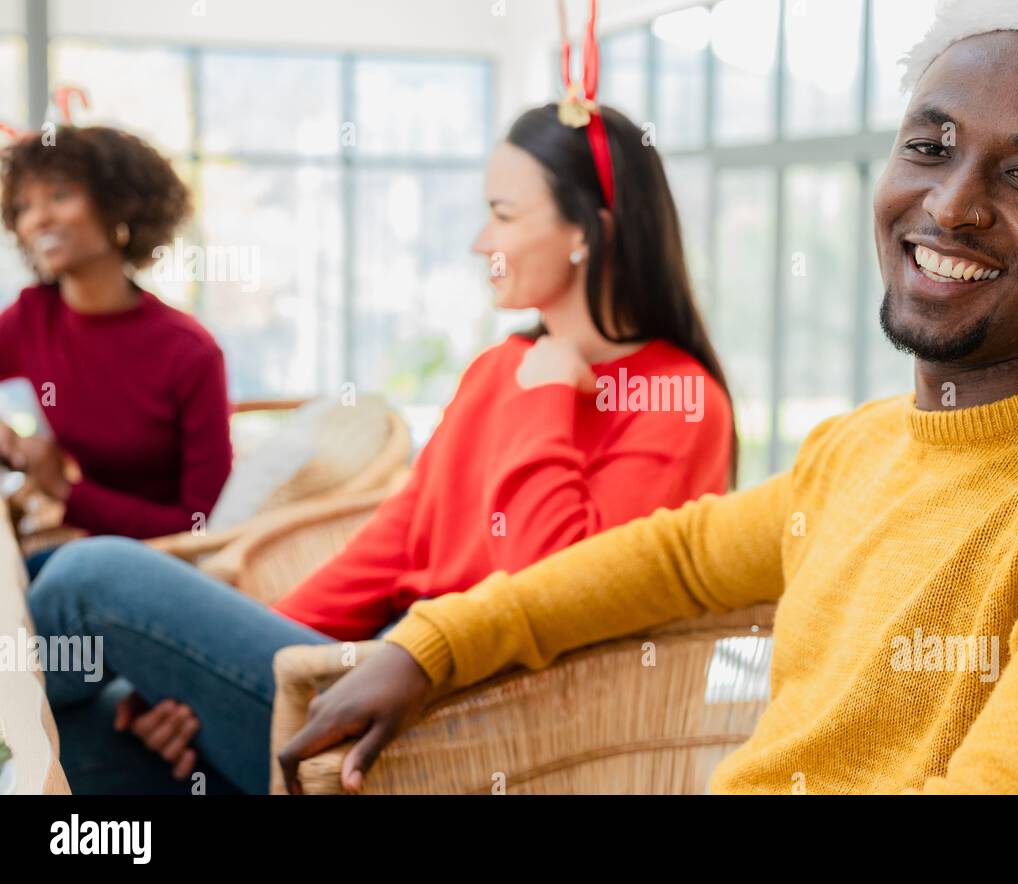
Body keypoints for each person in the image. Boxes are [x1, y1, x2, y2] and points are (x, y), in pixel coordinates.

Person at [281, 0, 1018, 795]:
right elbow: (672, 555)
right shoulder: (865, 447)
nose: (953, 205)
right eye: (930, 147)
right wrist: (432, 644)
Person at [28, 99, 736, 794]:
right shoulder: (500, 369)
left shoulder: (679, 401)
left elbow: (552, 594)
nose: (480, 242)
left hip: (472, 721)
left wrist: (547, 396)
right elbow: (396, 544)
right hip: (365, 676)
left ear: (589, 231)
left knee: (83, 582)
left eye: (503, 214)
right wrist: (205, 673)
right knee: (94, 734)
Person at [0, 125, 232, 578]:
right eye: (24, 207)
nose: (38, 219)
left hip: (168, 564)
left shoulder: (190, 352)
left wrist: (67, 493)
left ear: (118, 205)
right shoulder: (34, 316)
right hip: (86, 549)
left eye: (60, 196)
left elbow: (201, 528)